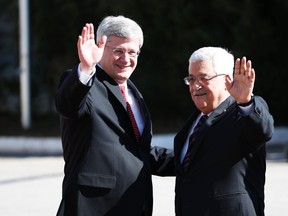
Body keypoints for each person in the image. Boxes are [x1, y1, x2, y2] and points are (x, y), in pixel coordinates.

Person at [55, 15, 173, 216]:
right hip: (93, 206)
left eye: (132, 52)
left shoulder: (133, 93)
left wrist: (193, 157)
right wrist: (85, 68)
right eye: (118, 51)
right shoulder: (86, 83)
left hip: (133, 204)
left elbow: (139, 152)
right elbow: (67, 105)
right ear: (99, 48)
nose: (126, 59)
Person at [173, 47, 274, 216]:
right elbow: (193, 162)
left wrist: (245, 102)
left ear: (227, 79)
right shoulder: (196, 119)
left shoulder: (243, 111)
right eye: (191, 79)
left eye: (204, 78)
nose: (195, 85)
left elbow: (263, 131)